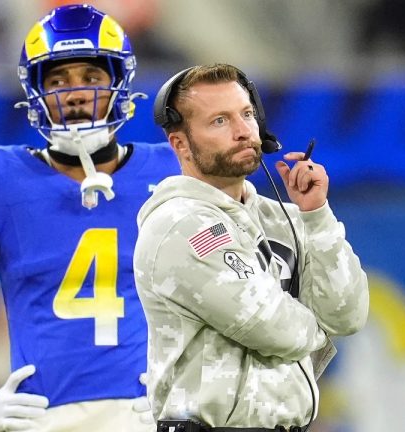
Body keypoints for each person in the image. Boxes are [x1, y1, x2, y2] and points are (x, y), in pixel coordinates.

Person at [0, 4, 180, 432]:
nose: (76, 92)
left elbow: (244, 290)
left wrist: (203, 386)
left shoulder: (174, 172)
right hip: (46, 420)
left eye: (92, 77)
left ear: (121, 83)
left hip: (152, 416)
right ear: (34, 92)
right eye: (58, 79)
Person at [134, 63, 370, 431]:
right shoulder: (179, 225)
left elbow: (349, 315)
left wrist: (317, 216)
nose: (245, 132)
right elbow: (272, 327)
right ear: (180, 143)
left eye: (247, 114)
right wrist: (321, 327)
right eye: (220, 121)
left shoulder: (284, 217)